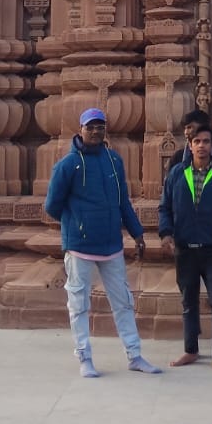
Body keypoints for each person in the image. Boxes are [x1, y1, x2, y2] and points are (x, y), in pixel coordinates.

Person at [45, 108, 161, 377]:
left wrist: (137, 233)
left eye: (100, 127)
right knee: (79, 304)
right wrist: (78, 223)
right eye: (91, 127)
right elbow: (52, 205)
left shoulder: (114, 160)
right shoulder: (67, 165)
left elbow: (123, 202)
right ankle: (84, 357)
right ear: (80, 129)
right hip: (80, 247)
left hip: (111, 245)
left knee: (123, 302)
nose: (96, 132)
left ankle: (134, 355)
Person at [157, 125, 212, 372]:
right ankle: (190, 350)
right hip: (185, 248)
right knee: (188, 303)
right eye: (197, 141)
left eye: (206, 141)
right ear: (190, 145)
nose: (202, 145)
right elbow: (165, 207)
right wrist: (166, 233)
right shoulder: (177, 173)